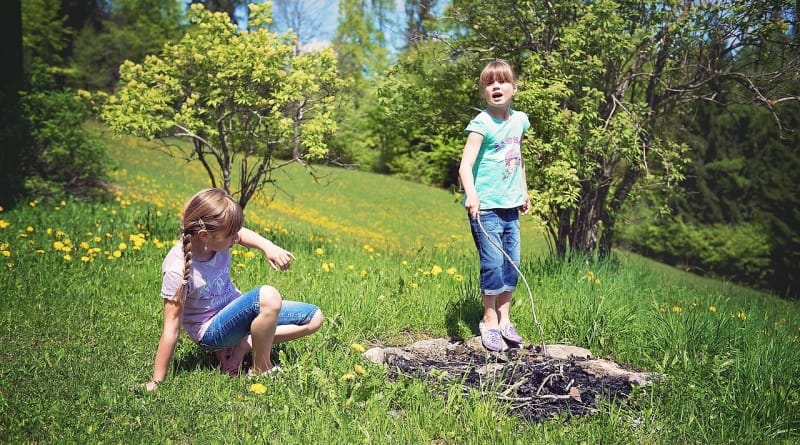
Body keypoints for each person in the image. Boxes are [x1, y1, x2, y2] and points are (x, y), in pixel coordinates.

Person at [145, 188, 323, 391]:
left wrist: (268, 247)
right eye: (231, 236)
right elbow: (171, 328)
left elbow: (242, 234)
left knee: (314, 318)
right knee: (268, 296)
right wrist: (156, 381)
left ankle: (244, 346)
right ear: (204, 235)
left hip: (234, 316)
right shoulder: (178, 269)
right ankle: (261, 368)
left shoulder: (214, 239)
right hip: (212, 333)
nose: (235, 239)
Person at [458, 59, 531, 352]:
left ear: (513, 88)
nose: (496, 87)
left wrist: (524, 192)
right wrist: (472, 195)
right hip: (485, 207)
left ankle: (504, 319)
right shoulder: (481, 124)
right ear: (484, 91)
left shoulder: (520, 120)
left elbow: (518, 157)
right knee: (492, 264)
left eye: (502, 81)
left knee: (512, 263)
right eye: (489, 83)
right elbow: (465, 166)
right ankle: (488, 320)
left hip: (511, 207)